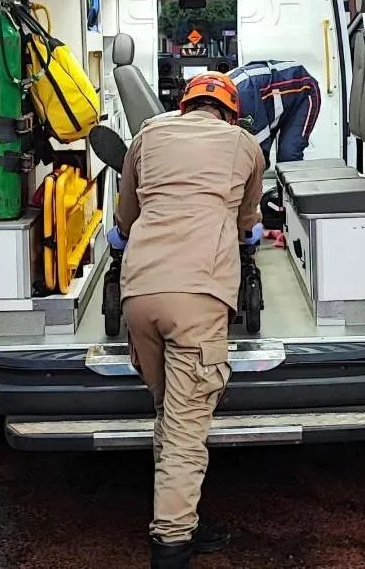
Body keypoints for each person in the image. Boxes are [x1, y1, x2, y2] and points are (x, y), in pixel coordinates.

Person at [106, 71, 265, 569]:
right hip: (198, 296)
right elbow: (248, 221)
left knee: (169, 414)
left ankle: (182, 517)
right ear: (231, 112)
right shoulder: (244, 144)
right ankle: (172, 545)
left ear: (185, 105)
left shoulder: (148, 135)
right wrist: (248, 232)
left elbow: (125, 218)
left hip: (140, 295)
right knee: (183, 430)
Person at [227, 60, 322, 167]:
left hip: (304, 91)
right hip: (270, 101)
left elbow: (258, 152)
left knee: (288, 156)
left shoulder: (243, 98)